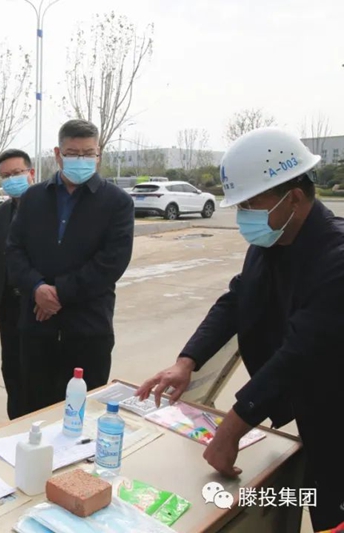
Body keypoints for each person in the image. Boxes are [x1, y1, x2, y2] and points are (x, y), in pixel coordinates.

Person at [136, 127, 344, 532]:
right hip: (313, 411)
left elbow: (299, 354)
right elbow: (236, 300)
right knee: (317, 498)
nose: (244, 215)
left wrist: (231, 430)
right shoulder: (273, 243)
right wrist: (186, 361)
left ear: (294, 197)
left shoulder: (335, 260)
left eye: (251, 203)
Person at [6, 119, 134, 415]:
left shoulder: (117, 203)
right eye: (73, 153)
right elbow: (13, 250)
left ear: (98, 154)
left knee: (83, 413)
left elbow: (111, 263)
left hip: (88, 328)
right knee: (34, 410)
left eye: (88, 153)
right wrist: (37, 288)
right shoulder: (33, 198)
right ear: (58, 154)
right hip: (36, 327)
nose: (81, 160)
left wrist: (58, 294)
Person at [0, 148, 36, 420]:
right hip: (8, 303)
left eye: (17, 173)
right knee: (12, 365)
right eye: (6, 176)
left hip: (38, 302)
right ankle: (15, 418)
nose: (12, 179)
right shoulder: (0, 214)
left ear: (31, 173)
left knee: (35, 366)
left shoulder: (47, 209)